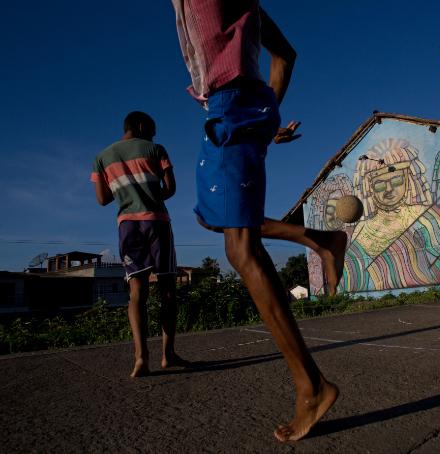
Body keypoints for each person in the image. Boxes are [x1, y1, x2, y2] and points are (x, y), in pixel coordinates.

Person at [171, 0, 339, 441]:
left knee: (240, 248)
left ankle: (312, 387)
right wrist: (265, 119)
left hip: (232, 109)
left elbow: (283, 57)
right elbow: (285, 55)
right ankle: (320, 239)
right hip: (233, 109)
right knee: (213, 218)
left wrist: (256, 118)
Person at [91, 111, 185, 377]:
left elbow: (102, 199)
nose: (154, 135)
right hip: (157, 222)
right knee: (167, 289)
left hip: (127, 226)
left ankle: (141, 358)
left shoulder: (102, 157)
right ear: (142, 125)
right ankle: (168, 355)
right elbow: (171, 188)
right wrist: (149, 194)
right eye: (152, 130)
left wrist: (126, 190)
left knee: (137, 293)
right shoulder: (155, 149)